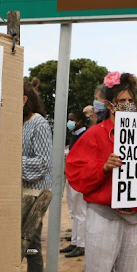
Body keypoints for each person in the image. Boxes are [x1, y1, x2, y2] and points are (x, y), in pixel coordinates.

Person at [66, 71, 137, 272]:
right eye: (121, 101)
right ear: (109, 105)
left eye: (130, 101)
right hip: (103, 216)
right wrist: (103, 167)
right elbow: (75, 171)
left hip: (136, 217)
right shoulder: (94, 135)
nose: (127, 105)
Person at [21, 78, 53, 272]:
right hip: (17, 192)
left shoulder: (38, 123)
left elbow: (43, 162)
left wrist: (11, 160)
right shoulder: (17, 121)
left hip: (35, 195)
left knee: (31, 246)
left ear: (24, 99)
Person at [61, 109, 89, 258]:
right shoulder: (75, 135)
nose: (70, 122)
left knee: (80, 213)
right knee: (73, 212)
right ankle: (74, 241)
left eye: (72, 119)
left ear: (80, 122)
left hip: (79, 178)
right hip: (71, 176)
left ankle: (82, 244)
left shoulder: (84, 136)